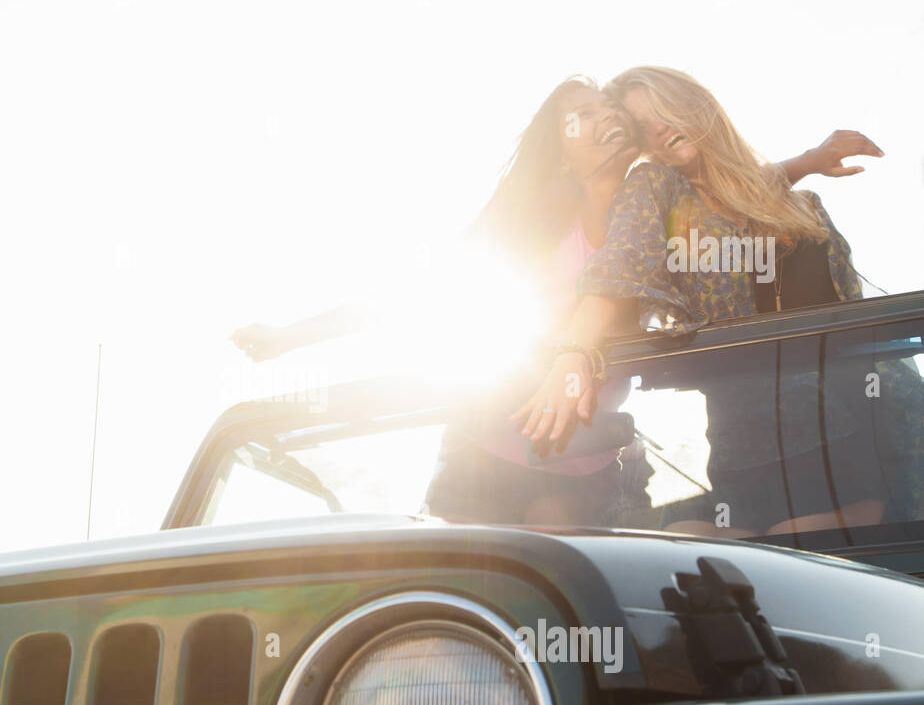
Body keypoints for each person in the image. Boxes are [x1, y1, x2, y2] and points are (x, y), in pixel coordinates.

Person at [233, 73, 880, 525]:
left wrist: (807, 159)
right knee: (470, 581)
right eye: (584, 114)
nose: (607, 120)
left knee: (558, 573)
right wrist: (290, 337)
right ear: (561, 149)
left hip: (587, 451)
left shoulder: (656, 201)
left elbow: (727, 193)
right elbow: (408, 294)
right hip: (488, 441)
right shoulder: (526, 228)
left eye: (611, 111)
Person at [513, 65, 895, 536]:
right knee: (700, 561)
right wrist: (571, 354)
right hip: (745, 449)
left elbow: (743, 195)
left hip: (851, 436)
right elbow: (621, 264)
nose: (660, 129)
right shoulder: (654, 188)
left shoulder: (804, 205)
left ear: (697, 103)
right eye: (642, 127)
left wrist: (807, 160)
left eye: (664, 109)